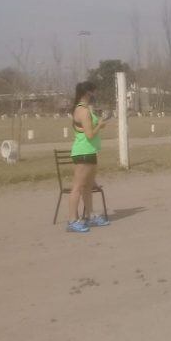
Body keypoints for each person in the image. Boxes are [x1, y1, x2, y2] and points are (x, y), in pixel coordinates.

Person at [66, 81, 110, 233]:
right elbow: (90, 134)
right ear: (87, 93)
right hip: (83, 152)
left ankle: (90, 215)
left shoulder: (84, 109)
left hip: (90, 152)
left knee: (88, 187)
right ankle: (72, 220)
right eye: (93, 92)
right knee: (77, 187)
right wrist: (100, 125)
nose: (95, 95)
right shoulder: (83, 111)